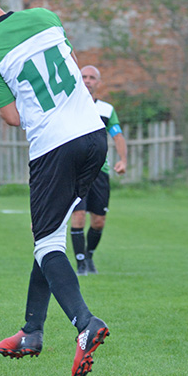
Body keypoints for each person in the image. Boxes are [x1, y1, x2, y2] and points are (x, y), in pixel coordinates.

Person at [0, 0, 110, 376]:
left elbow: (12, 116)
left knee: (47, 242)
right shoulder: (44, 16)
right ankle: (31, 333)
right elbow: (70, 64)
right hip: (94, 135)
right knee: (49, 235)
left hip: (54, 148)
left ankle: (85, 323)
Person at [71, 65, 128, 275]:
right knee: (78, 216)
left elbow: (118, 135)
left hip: (99, 172)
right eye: (83, 76)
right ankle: (80, 265)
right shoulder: (69, 105)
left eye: (92, 77)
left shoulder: (106, 109)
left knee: (98, 221)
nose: (87, 80)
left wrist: (123, 160)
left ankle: (89, 256)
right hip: (76, 171)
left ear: (98, 82)